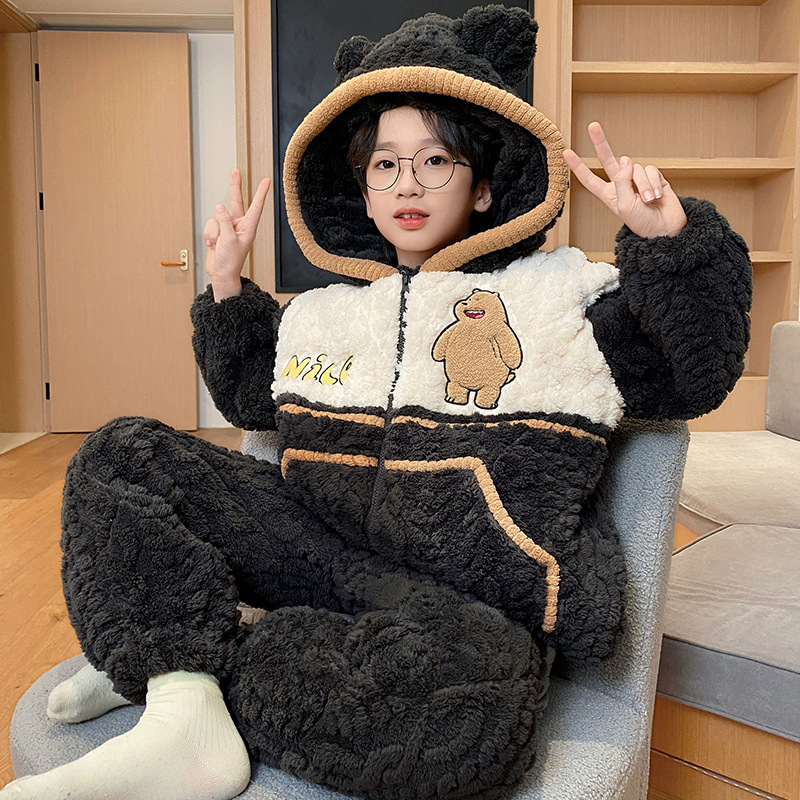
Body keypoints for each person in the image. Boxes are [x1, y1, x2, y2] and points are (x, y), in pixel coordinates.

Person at [1, 5, 752, 800]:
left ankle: (177, 667)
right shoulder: (323, 313)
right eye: (385, 166)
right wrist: (225, 286)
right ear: (361, 193)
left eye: (435, 161)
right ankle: (175, 686)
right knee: (122, 454)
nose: (408, 185)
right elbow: (250, 396)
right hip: (315, 556)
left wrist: (671, 244)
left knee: (469, 718)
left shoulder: (563, 298)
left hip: (466, 608)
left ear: (484, 186)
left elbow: (694, 373)